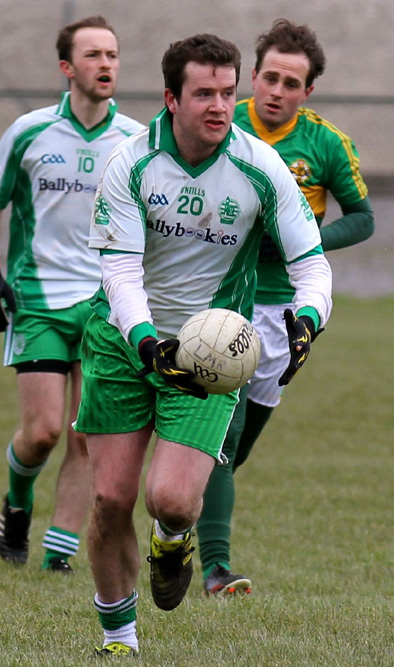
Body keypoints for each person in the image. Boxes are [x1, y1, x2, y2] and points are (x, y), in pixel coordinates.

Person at [73, 32, 332, 657]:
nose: (220, 105)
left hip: (211, 349)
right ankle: (120, 637)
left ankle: (173, 536)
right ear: (171, 98)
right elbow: (121, 273)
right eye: (204, 94)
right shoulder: (130, 164)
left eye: (227, 91)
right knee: (110, 498)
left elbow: (312, 263)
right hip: (120, 340)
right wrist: (142, 341)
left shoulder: (259, 167)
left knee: (173, 500)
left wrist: (306, 319)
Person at [196, 18, 374, 596]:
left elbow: (363, 217)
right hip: (223, 299)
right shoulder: (224, 126)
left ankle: (177, 510)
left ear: (308, 92)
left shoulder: (325, 143)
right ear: (253, 76)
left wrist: (307, 238)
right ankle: (215, 568)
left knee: (234, 450)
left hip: (286, 308)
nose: (276, 91)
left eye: (290, 83)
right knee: (224, 430)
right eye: (269, 77)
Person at [0, 16, 144, 574]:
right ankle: (17, 502)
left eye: (113, 55)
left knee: (85, 436)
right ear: (67, 67)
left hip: (103, 302)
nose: (106, 64)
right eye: (93, 55)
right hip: (38, 296)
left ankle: (58, 555)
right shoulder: (29, 130)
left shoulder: (136, 142)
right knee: (44, 432)